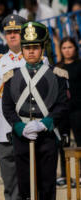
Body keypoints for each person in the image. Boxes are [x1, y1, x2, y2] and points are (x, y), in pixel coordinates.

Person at [2, 21, 68, 200]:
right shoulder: (11, 76)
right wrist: (18, 127)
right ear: (22, 50)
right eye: (27, 47)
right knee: (25, 187)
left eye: (35, 47)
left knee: (47, 186)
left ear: (42, 49)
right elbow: (7, 107)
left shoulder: (57, 75)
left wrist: (45, 123)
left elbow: (62, 105)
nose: (31, 51)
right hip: (22, 136)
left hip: (46, 136)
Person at [0, 14, 26, 200]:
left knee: (29, 176)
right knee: (9, 178)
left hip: (29, 125)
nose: (12, 35)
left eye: (16, 31)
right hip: (5, 128)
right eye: (9, 32)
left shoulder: (37, 59)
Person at [55, 37, 81, 187]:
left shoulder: (79, 65)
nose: (67, 50)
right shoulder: (58, 67)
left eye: (70, 47)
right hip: (63, 113)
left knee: (80, 142)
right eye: (64, 47)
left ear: (75, 49)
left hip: (78, 111)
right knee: (62, 144)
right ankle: (65, 175)